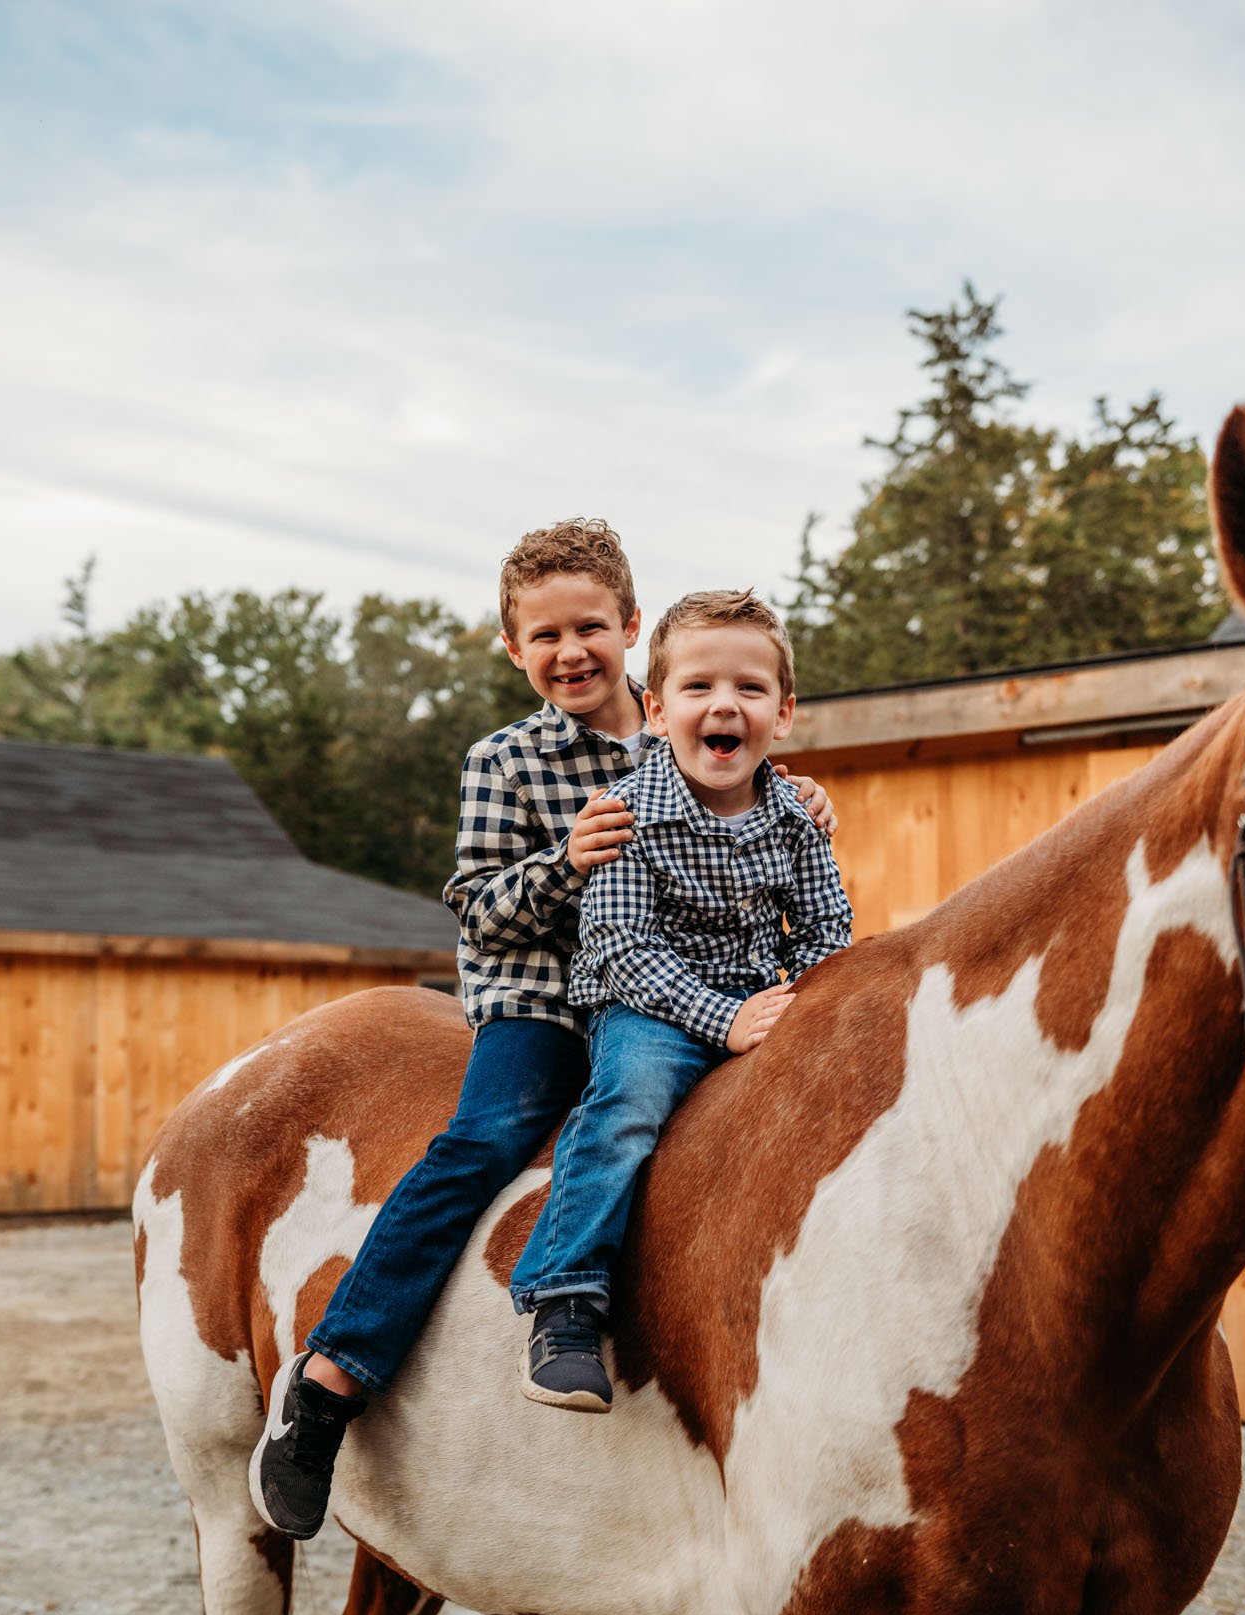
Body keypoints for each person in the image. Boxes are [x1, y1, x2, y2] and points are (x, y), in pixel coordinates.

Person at [249, 526, 836, 1538]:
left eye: (590, 627)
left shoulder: (683, 726)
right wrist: (563, 862)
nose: (571, 650)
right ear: (512, 647)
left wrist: (799, 800)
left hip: (675, 994)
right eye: (546, 633)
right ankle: (333, 1377)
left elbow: (754, 801)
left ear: (630, 632)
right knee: (487, 1136)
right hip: (543, 999)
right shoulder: (506, 760)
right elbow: (475, 908)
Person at [511, 587, 853, 1409]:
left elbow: (824, 927)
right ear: (658, 712)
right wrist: (724, 1018)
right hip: (650, 1010)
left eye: (748, 689)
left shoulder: (795, 821)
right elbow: (623, 953)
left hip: (759, 1004)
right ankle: (565, 1299)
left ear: (784, 713)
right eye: (699, 688)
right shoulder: (626, 812)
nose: (723, 705)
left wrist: (802, 998)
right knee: (627, 1103)